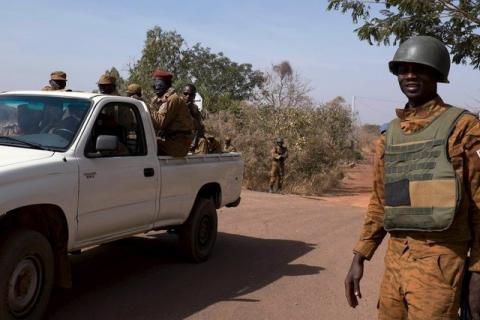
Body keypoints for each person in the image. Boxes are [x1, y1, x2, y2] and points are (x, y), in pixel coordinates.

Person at [344, 36, 480, 320]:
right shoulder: (390, 135)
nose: (410, 75)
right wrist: (360, 256)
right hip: (396, 260)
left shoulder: (465, 128)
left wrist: (478, 271)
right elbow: (380, 203)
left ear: (437, 73)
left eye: (419, 68)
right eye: (403, 69)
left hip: (441, 261)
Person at [149, 69, 194, 157]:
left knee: (146, 147)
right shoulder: (164, 99)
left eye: (159, 85)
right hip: (172, 141)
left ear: (167, 85)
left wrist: (146, 107)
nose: (157, 88)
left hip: (178, 145)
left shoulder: (173, 99)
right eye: (155, 85)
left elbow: (160, 123)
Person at [183, 84, 205, 151]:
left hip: (190, 139)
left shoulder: (195, 108)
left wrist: (194, 142)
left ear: (194, 96)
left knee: (203, 142)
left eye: (191, 94)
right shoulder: (176, 105)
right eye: (185, 94)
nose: (188, 96)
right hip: (177, 139)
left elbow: (199, 127)